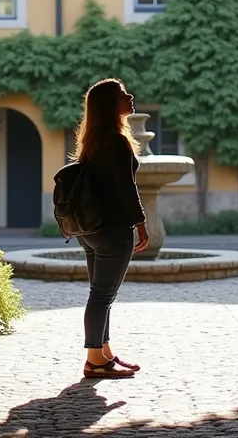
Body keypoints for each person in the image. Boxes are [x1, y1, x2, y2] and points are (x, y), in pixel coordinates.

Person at [71, 78, 150, 379]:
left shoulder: (92, 141)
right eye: (121, 95)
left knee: (101, 294)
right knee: (102, 296)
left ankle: (104, 353)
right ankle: (95, 361)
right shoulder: (116, 141)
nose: (129, 97)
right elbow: (127, 188)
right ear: (109, 105)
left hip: (91, 229)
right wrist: (141, 224)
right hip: (113, 228)